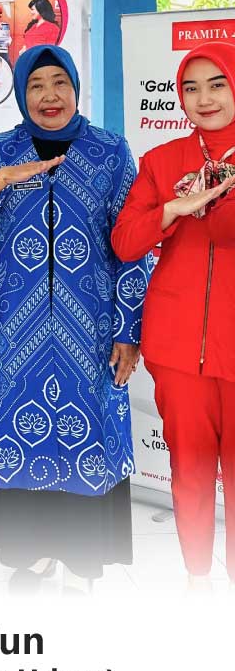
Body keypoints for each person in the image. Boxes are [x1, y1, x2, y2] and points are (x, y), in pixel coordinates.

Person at [0, 45, 149, 593]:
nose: (49, 95)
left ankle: (83, 559)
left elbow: (134, 245)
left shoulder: (109, 152)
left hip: (92, 329)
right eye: (36, 85)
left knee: (88, 432)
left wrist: (129, 329)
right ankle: (30, 553)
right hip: (19, 331)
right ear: (21, 94)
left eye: (60, 82)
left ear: (76, 89)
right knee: (23, 433)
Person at [112, 42, 235, 590]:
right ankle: (197, 579)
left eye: (217, 84)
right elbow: (125, 242)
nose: (204, 98)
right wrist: (173, 208)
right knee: (189, 470)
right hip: (179, 349)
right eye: (191, 87)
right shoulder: (162, 162)